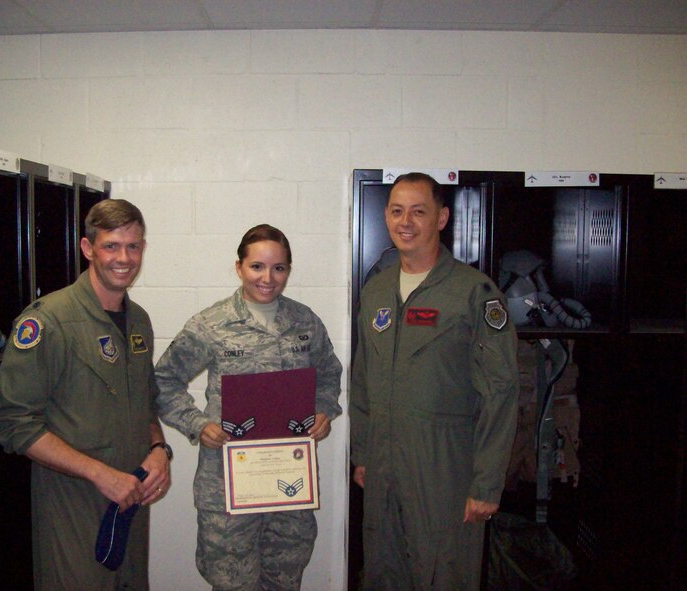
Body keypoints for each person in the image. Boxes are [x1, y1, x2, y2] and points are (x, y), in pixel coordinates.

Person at [0, 198, 172, 591]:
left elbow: (144, 402)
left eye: (133, 246)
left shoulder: (139, 321)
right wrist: (99, 473)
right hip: (73, 506)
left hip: (131, 503)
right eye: (111, 246)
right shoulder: (49, 320)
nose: (124, 258)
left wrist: (159, 449)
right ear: (88, 248)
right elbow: (13, 423)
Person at [350, 173, 519, 590]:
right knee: (383, 572)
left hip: (445, 472)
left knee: (444, 573)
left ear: (441, 218)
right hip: (384, 469)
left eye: (418, 211)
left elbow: (499, 393)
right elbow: (363, 380)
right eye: (396, 211)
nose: (405, 222)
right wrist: (363, 454)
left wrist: (486, 484)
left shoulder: (474, 293)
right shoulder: (376, 290)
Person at [154, 223, 343, 591]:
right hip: (228, 487)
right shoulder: (211, 324)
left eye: (278, 268)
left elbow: (329, 375)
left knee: (284, 580)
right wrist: (197, 424)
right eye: (257, 266)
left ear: (288, 270)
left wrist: (323, 412)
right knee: (233, 583)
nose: (267, 278)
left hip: (289, 485)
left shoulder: (305, 322)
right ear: (239, 267)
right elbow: (163, 381)